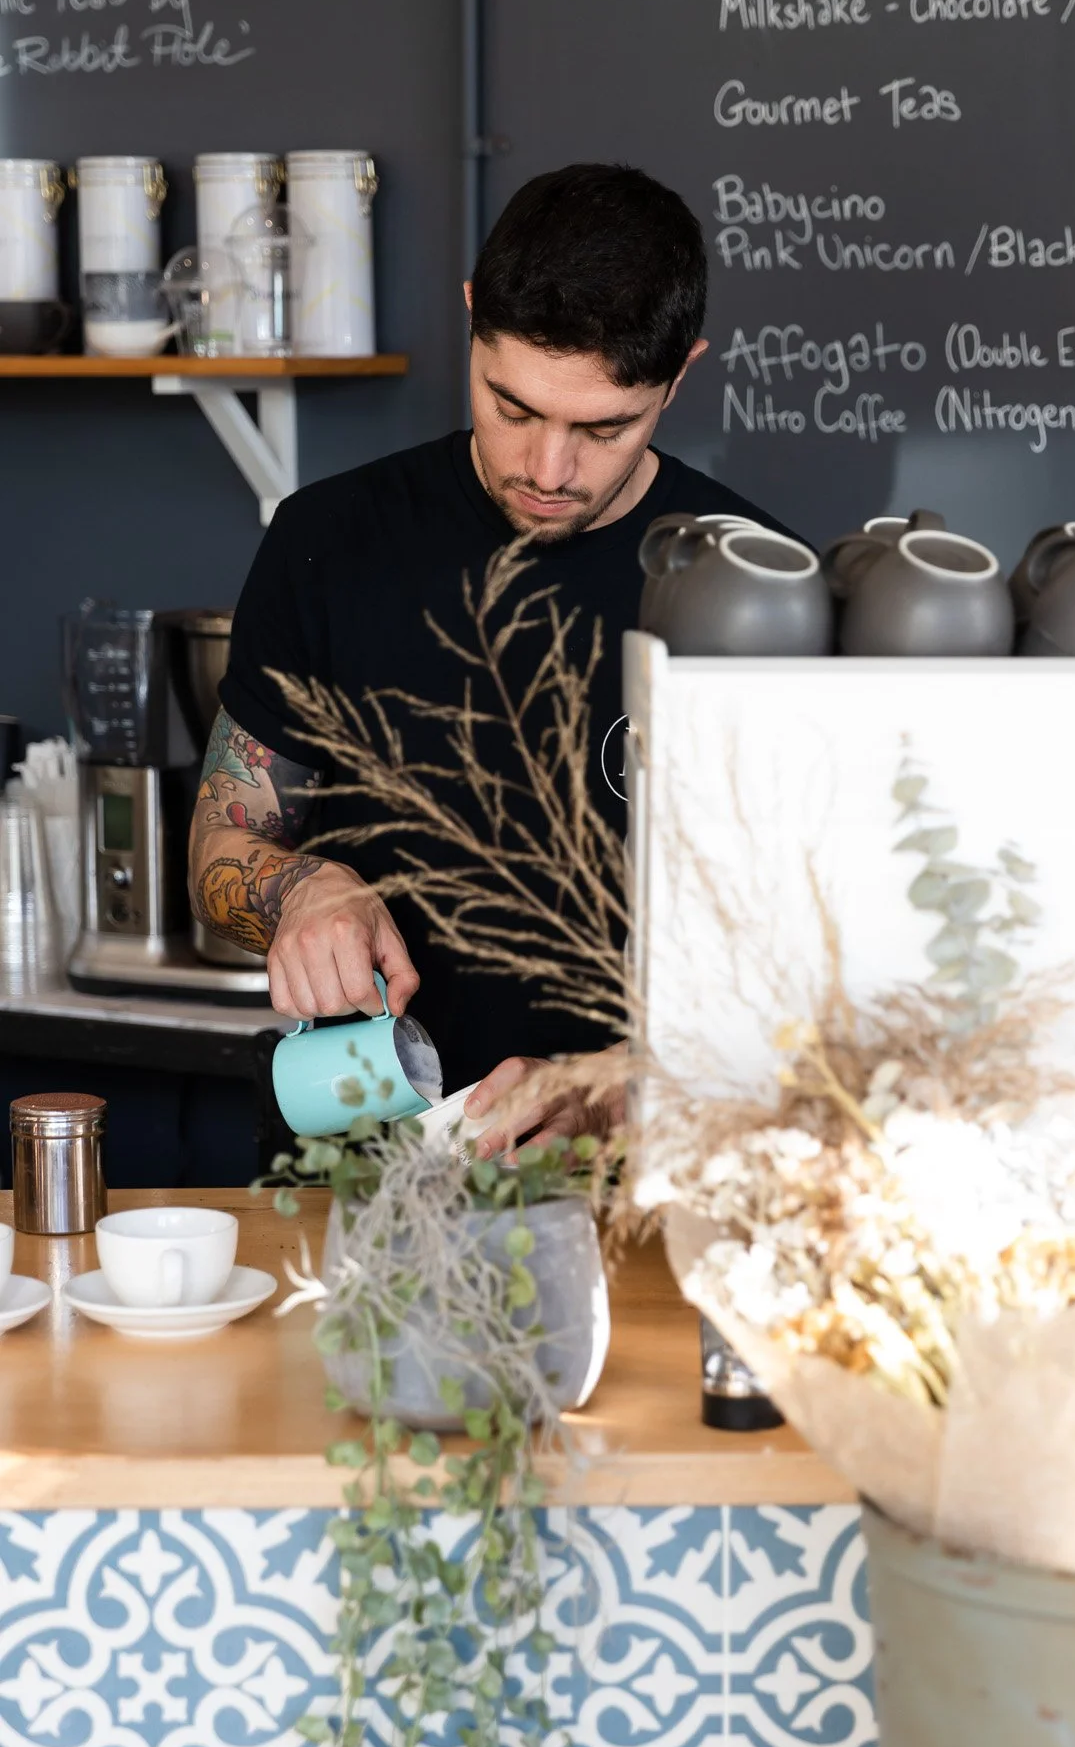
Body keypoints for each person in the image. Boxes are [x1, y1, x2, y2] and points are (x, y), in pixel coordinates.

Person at [190, 161, 800, 1143]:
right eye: (512, 405)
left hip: (634, 1192)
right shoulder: (328, 539)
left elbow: (807, 962)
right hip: (361, 1161)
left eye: (603, 427)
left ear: (682, 372)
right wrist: (300, 887)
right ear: (471, 319)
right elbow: (221, 849)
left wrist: (618, 1087)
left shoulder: (764, 596)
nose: (548, 469)